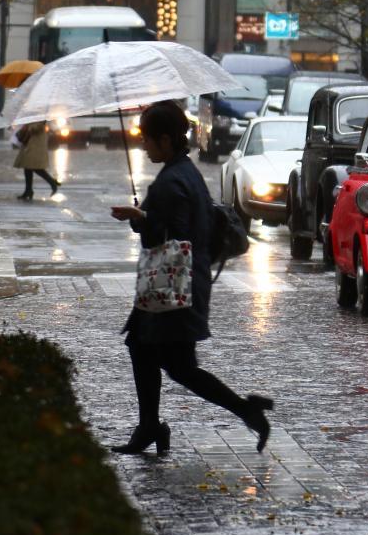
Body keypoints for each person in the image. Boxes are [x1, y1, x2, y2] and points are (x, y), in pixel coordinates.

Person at [110, 100, 274, 455]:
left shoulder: (172, 181)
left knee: (180, 367)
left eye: (148, 140)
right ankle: (150, 426)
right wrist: (145, 214)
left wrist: (140, 217)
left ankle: (248, 411)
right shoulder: (185, 171)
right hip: (181, 285)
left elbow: (172, 236)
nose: (143, 145)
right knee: (142, 347)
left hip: (175, 288)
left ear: (166, 140)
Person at [13, 122, 60, 200]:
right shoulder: (34, 116)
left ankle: (52, 183)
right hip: (30, 144)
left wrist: (28, 127)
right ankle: (28, 191)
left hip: (36, 145)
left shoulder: (41, 118)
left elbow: (36, 128)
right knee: (28, 167)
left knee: (36, 168)